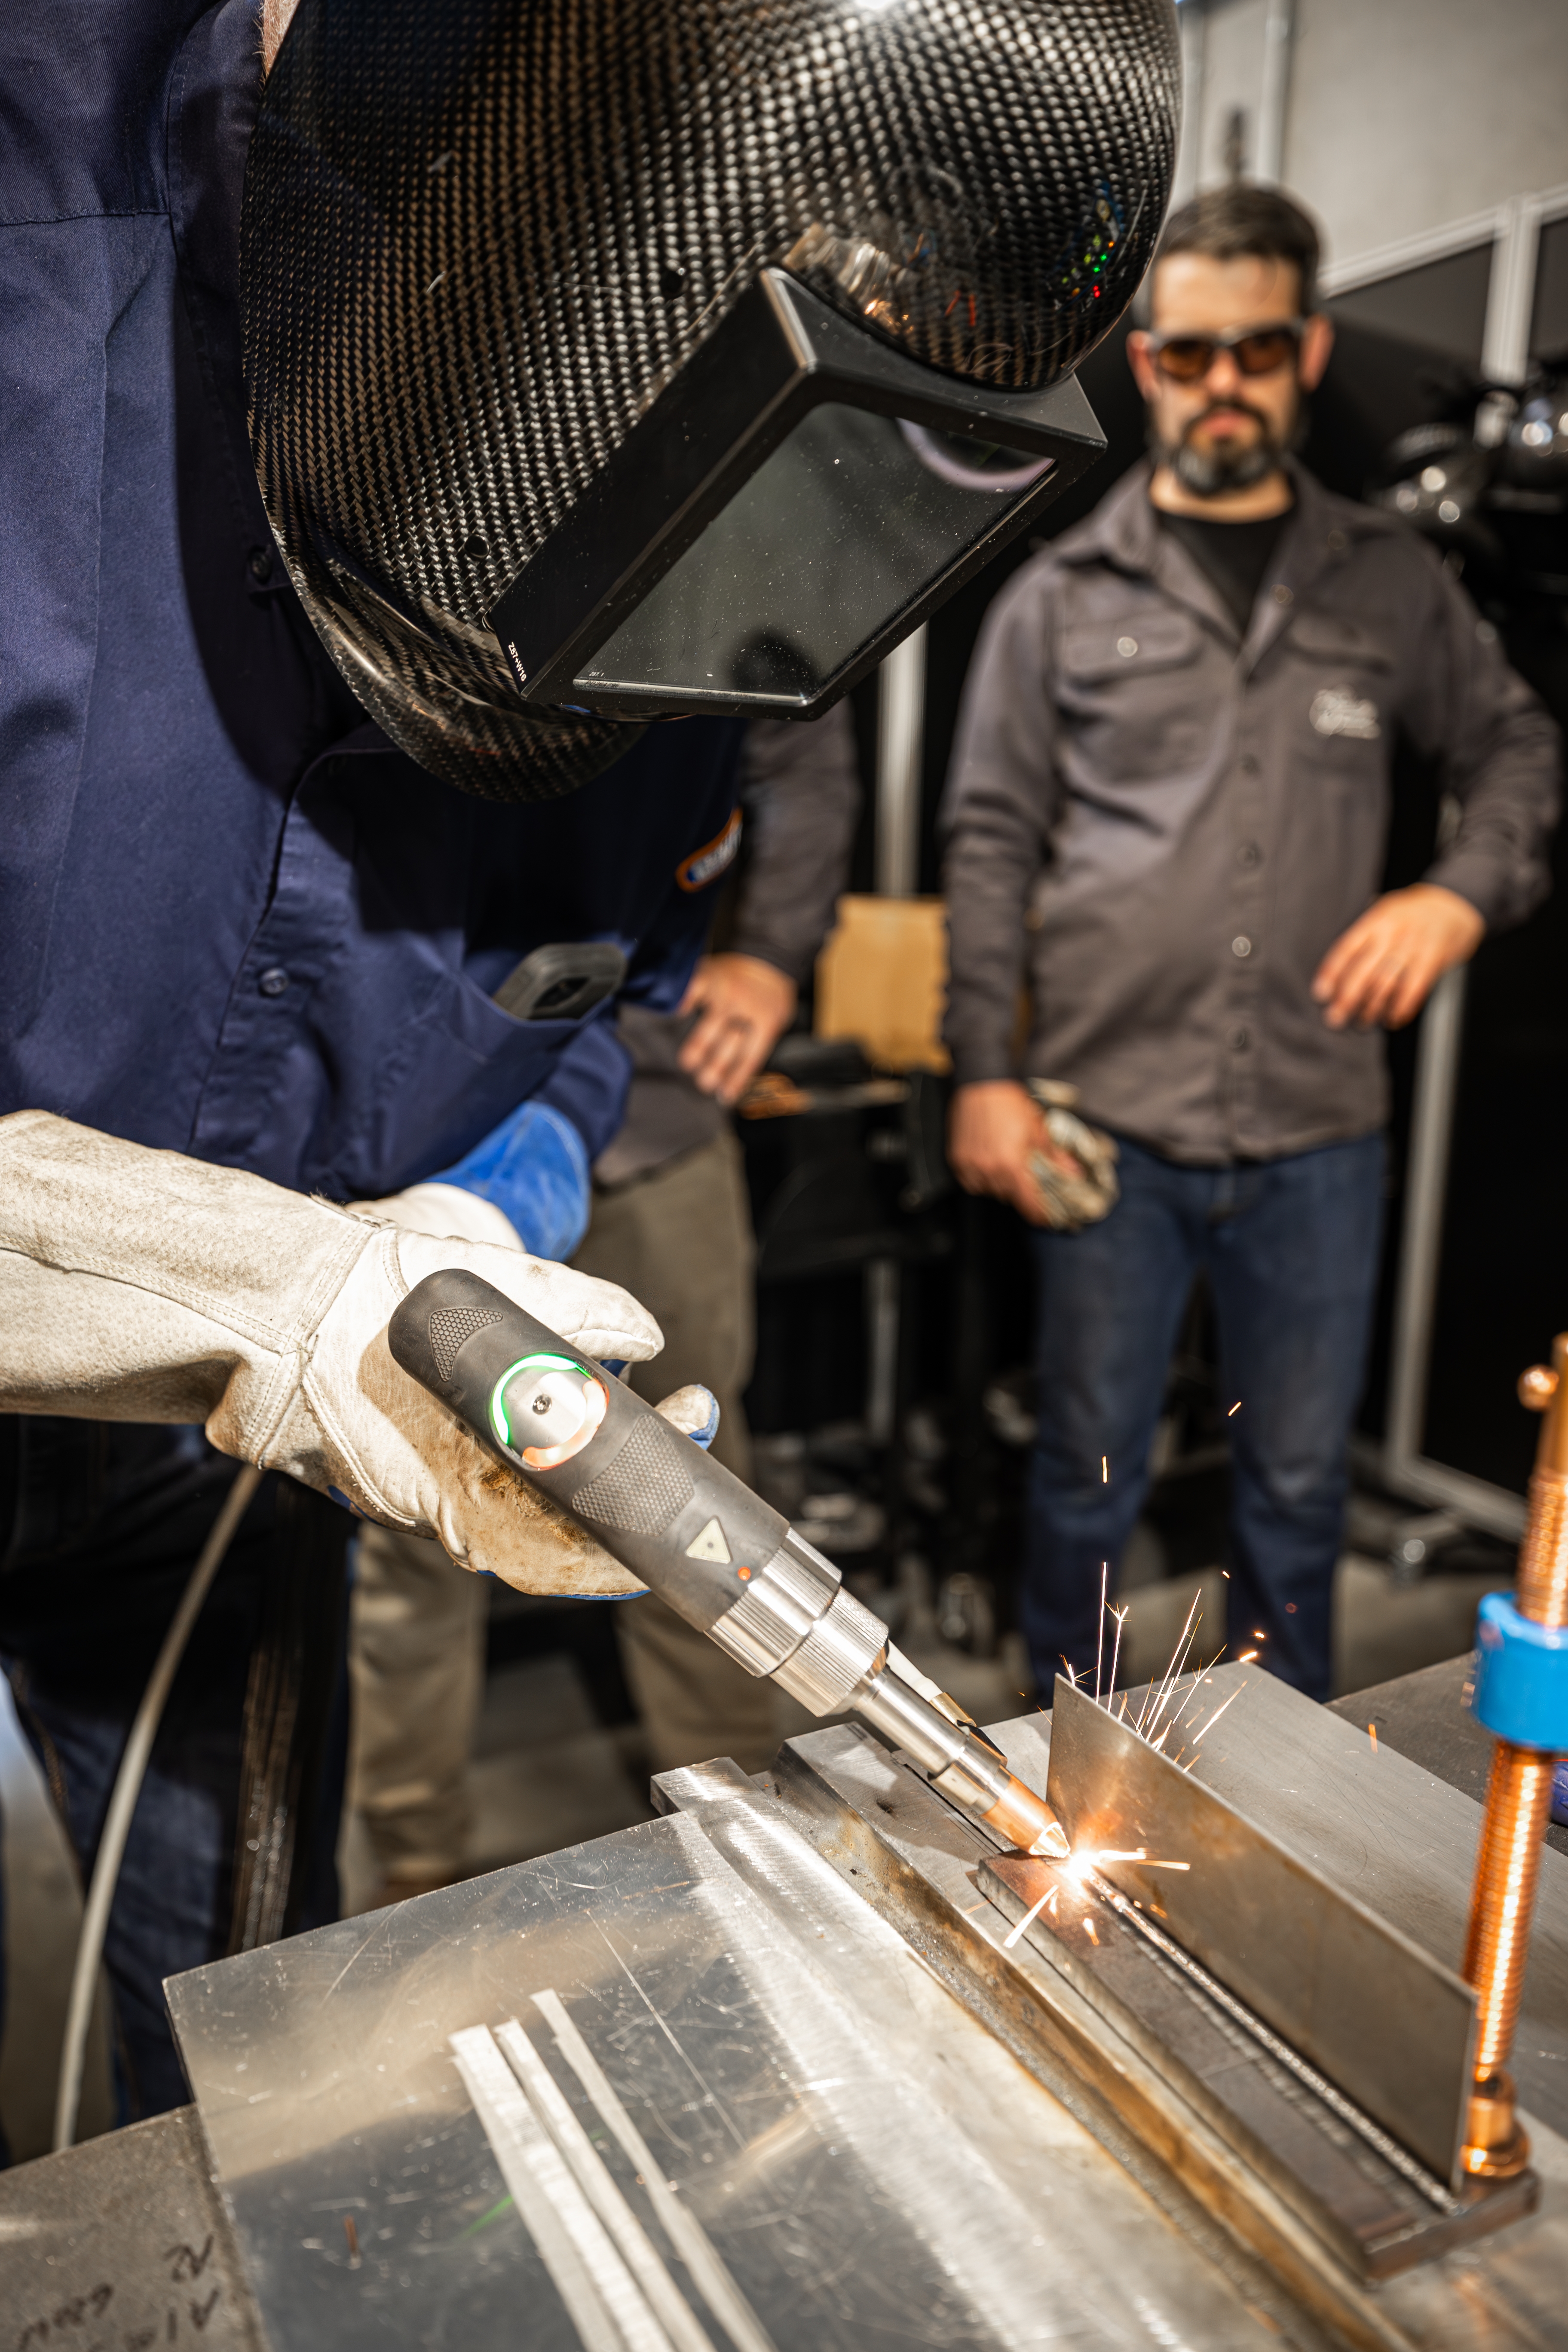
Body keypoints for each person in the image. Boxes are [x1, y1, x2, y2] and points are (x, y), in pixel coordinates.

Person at [941, 186, 1561, 1703]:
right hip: (1108, 1127)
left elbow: (1520, 753)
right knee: (1086, 1486)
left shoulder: (1393, 586)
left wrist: (1457, 891)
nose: (1225, 384)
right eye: (1192, 353)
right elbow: (989, 840)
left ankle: (1290, 1789)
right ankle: (1055, 1790)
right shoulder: (1060, 599)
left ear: (1307, 351)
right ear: (1149, 363)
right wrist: (981, 1074)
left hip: (1318, 1141)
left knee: (1292, 1493)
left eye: (1259, 351)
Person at [350, 710, 860, 1903]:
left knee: (695, 1501)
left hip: (659, 1130)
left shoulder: (712, 641)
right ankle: (410, 1877)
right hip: (425, 1140)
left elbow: (796, 747)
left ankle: (745, 1855)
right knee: (402, 1504)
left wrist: (773, 951)